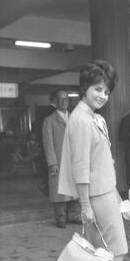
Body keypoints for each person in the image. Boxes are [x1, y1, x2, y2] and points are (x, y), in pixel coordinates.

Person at [58, 60, 130, 261]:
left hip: (106, 192)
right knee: (116, 251)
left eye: (106, 91)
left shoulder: (94, 117)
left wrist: (117, 196)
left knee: (103, 253)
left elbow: (101, 160)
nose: (102, 96)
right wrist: (85, 205)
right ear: (85, 88)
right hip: (96, 196)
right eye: (97, 89)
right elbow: (80, 166)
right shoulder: (81, 119)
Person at [42, 90, 80, 228]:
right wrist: (52, 163)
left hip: (73, 160)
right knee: (59, 190)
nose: (64, 102)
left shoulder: (74, 118)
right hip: (59, 159)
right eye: (61, 99)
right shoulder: (49, 120)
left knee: (74, 188)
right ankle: (60, 218)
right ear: (56, 102)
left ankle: (74, 215)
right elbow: (48, 144)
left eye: (66, 99)